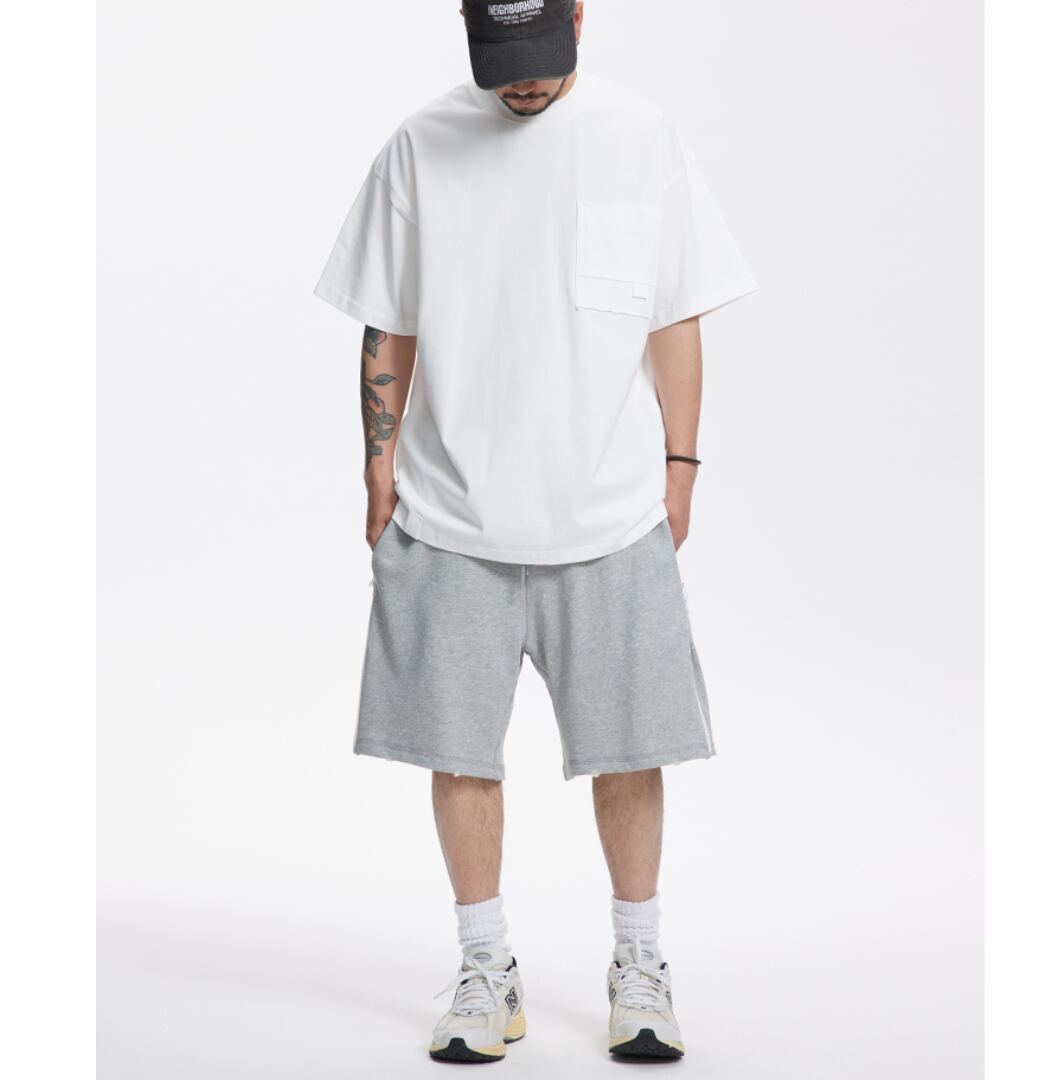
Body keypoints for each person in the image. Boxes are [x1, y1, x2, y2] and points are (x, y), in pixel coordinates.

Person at [314, 0, 757, 1062]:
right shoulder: (421, 145)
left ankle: (639, 963)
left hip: (609, 510)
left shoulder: (638, 137)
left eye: (540, 57)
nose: (522, 80)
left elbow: (674, 311)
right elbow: (388, 316)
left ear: (580, 17)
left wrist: (682, 464)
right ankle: (485, 969)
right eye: (501, 60)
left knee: (631, 751)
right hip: (450, 511)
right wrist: (377, 461)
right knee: (459, 752)